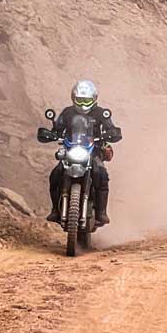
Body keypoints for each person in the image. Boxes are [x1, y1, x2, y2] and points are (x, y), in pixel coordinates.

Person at [47, 79, 121, 227]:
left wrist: (112, 133)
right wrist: (51, 134)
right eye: (80, 100)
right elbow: (58, 129)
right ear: (73, 98)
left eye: (86, 100)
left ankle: (101, 212)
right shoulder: (67, 112)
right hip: (71, 149)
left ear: (94, 99)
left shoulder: (100, 113)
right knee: (56, 174)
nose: (82, 104)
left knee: (101, 174)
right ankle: (55, 209)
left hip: (94, 150)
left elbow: (111, 128)